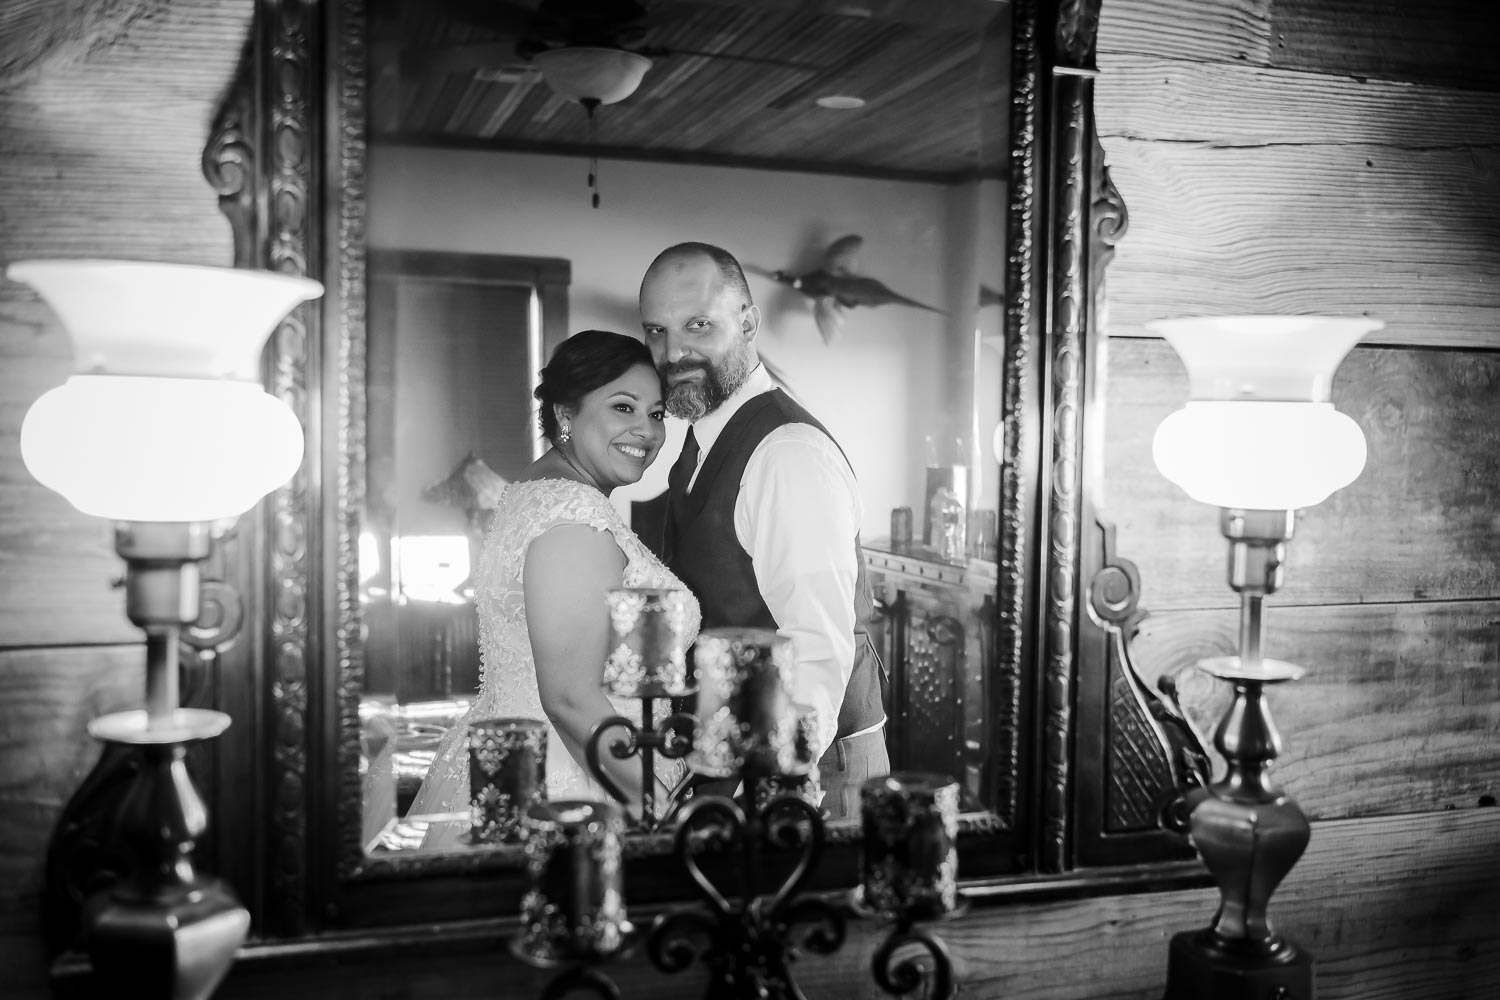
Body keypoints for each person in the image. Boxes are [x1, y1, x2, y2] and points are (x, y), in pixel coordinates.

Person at [407, 330, 699, 847]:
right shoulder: (573, 519)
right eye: (623, 407)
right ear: (566, 415)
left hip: (544, 758)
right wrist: (661, 811)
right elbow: (568, 697)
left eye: (657, 414)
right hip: (570, 778)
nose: (646, 431)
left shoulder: (540, 494)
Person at [639, 242, 889, 820]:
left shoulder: (786, 454)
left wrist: (771, 789)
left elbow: (816, 651)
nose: (674, 352)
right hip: (738, 764)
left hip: (808, 774)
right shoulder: (702, 441)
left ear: (749, 322)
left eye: (698, 324)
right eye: (657, 331)